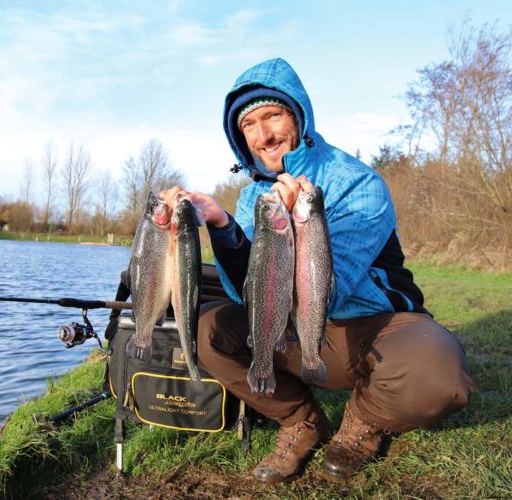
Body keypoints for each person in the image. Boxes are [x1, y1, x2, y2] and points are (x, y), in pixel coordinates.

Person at [161, 57, 476, 484]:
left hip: (370, 326)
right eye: (249, 125)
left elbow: (333, 290)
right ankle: (300, 420)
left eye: (273, 115)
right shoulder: (254, 196)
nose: (263, 135)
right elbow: (249, 298)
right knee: (206, 329)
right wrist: (223, 228)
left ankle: (364, 419)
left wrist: (305, 224)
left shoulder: (357, 182)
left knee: (438, 373)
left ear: (299, 117)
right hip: (289, 329)